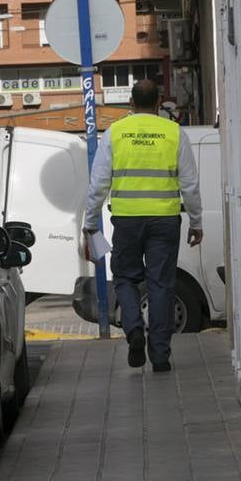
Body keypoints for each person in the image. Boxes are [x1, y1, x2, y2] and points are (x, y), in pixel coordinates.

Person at [82, 79, 203, 370]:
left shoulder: (115, 133)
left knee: (125, 278)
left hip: (127, 220)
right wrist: (196, 221)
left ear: (131, 103)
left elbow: (98, 184)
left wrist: (90, 223)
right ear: (159, 102)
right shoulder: (174, 132)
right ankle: (160, 355)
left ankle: (134, 328)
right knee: (162, 284)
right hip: (165, 220)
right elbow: (189, 183)